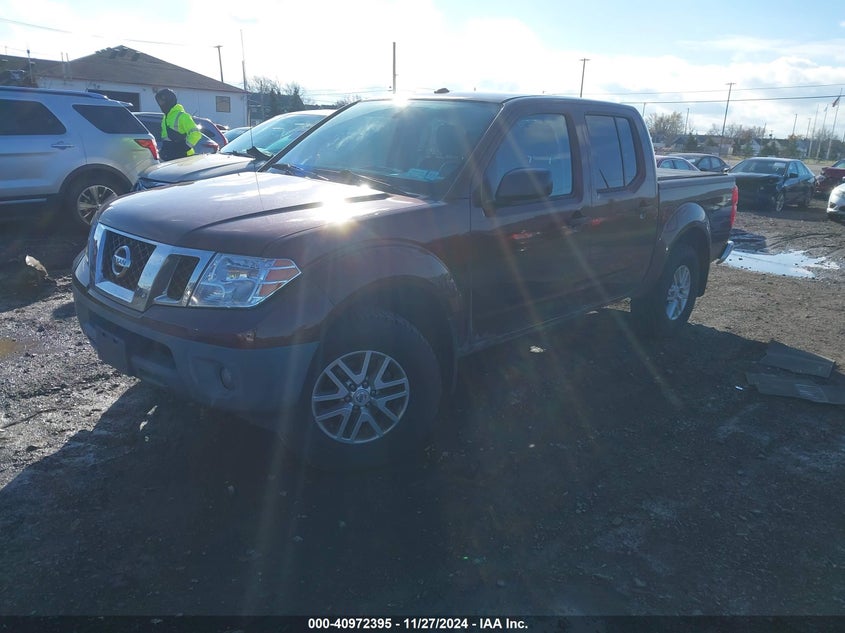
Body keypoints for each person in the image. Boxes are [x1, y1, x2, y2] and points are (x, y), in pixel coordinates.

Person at [154, 88, 204, 161]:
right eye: (159, 102)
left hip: (185, 157)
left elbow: (196, 134)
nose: (160, 104)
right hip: (170, 157)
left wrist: (184, 147)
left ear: (169, 101)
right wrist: (163, 150)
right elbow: (166, 138)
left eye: (162, 102)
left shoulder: (183, 116)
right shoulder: (165, 118)